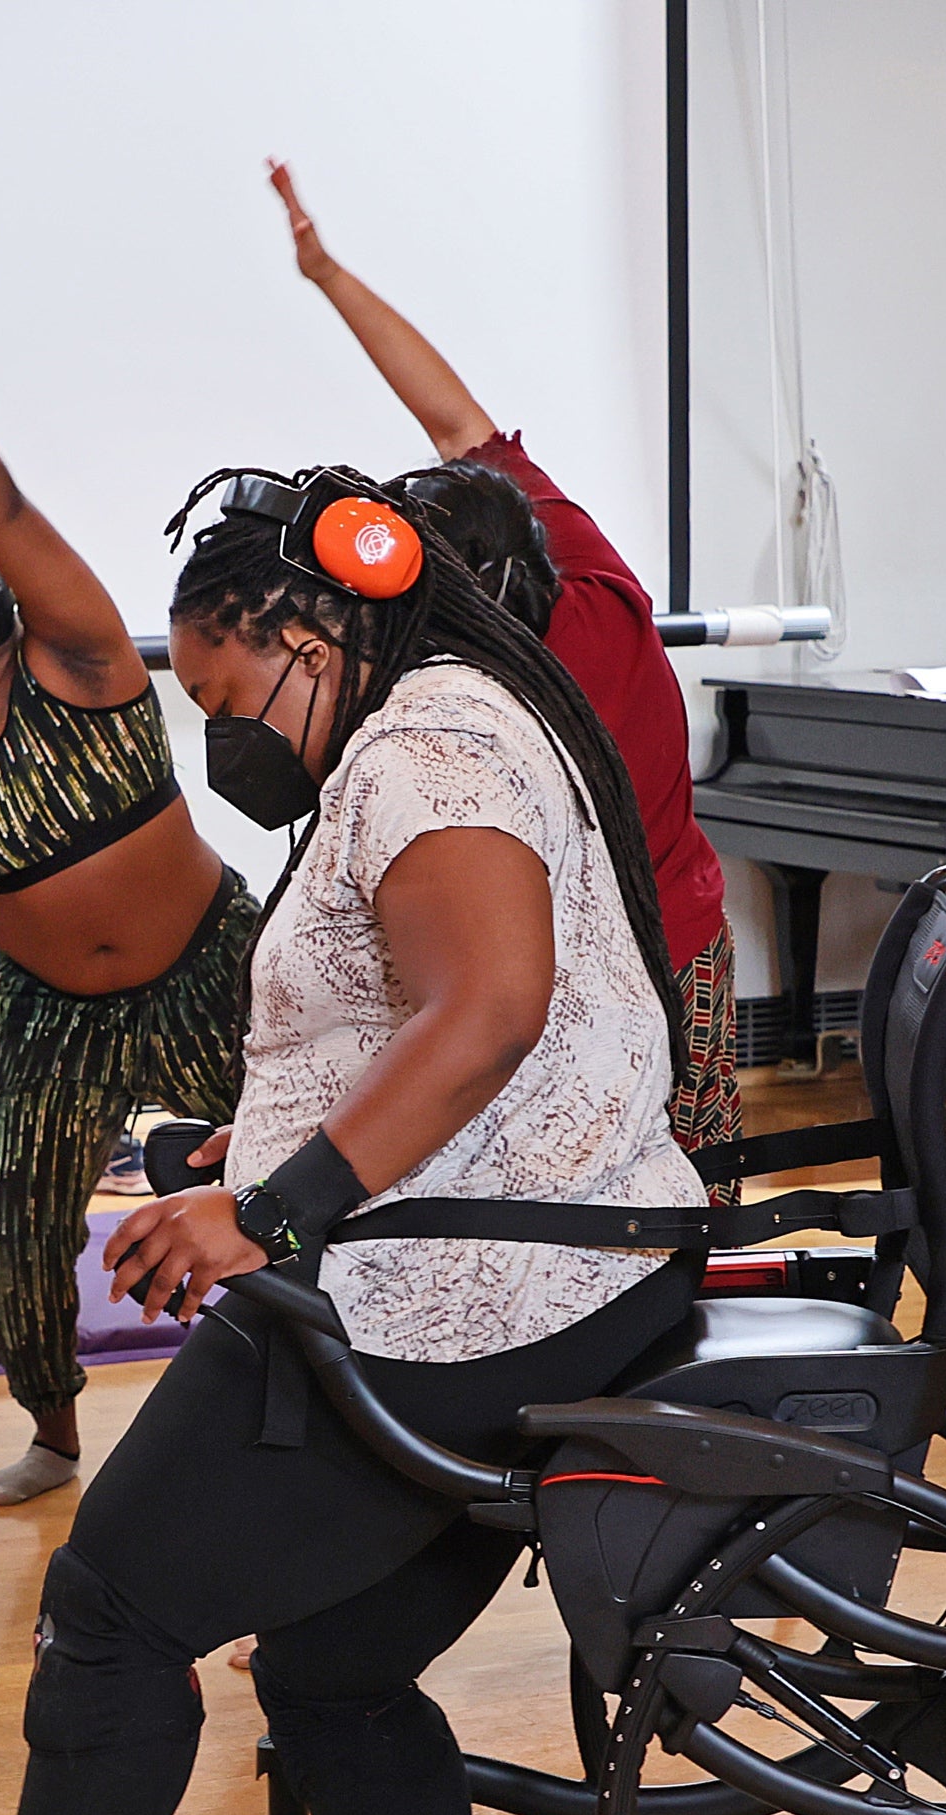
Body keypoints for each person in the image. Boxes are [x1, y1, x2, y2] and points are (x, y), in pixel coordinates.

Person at [0, 469, 705, 1815]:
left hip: (468, 1292)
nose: (224, 743)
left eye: (225, 699)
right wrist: (248, 1142)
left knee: (111, 1607)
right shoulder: (451, 716)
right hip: (553, 1270)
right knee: (334, 1662)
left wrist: (272, 1203)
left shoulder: (422, 749)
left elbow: (490, 1006)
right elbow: (423, 1016)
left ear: (312, 622)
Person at [0, 250, 256, 1509]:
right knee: (8, 1234)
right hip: (39, 1009)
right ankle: (57, 1432)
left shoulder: (76, 656)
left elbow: (11, 507)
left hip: (208, 972)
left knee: (282, 1186)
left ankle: (307, 1411)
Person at [268, 161, 739, 1175]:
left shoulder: (463, 711)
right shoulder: (597, 584)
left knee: (549, 1194)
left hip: (596, 975)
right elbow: (457, 422)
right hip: (690, 945)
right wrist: (327, 272)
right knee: (682, 1191)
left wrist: (325, 274)